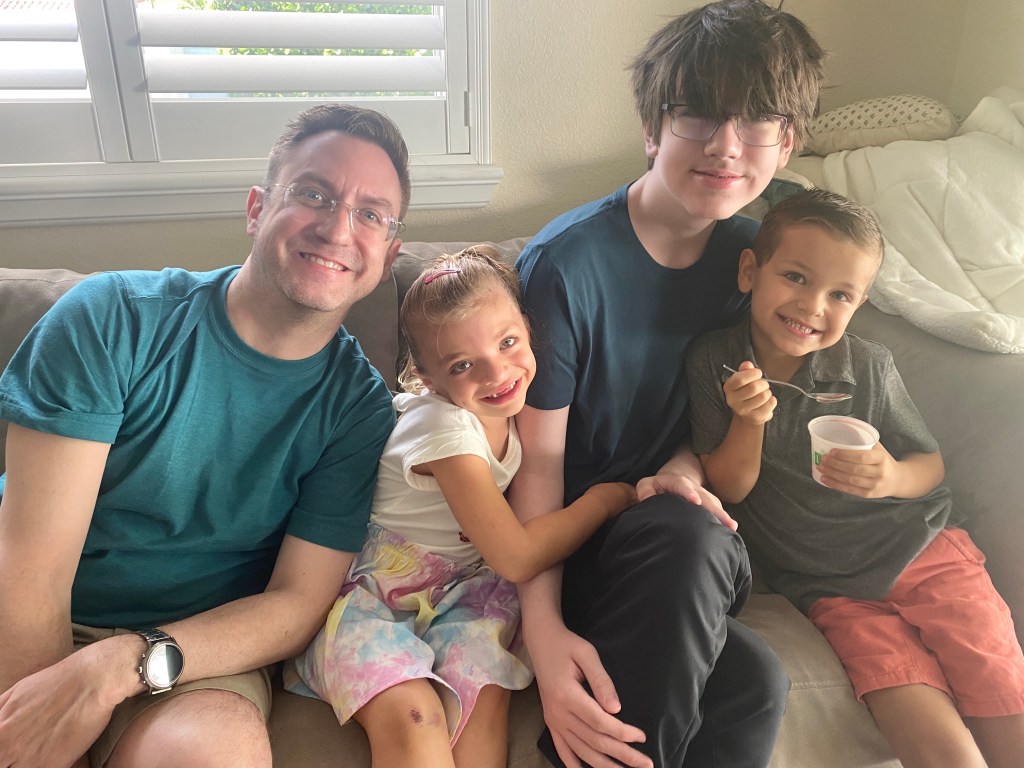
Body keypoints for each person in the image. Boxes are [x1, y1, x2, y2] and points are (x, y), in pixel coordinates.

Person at [0, 104, 411, 768]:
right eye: (313, 194)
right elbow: (30, 569)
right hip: (24, 608)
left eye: (371, 214)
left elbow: (296, 602)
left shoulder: (360, 412)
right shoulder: (110, 319)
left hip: (187, 654)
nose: (338, 229)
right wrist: (43, 721)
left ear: (389, 256)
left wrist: (123, 664)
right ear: (257, 209)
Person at [510, 1, 827, 766]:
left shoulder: (758, 263)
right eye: (699, 115)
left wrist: (684, 469)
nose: (726, 146)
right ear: (653, 128)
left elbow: (716, 420)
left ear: (787, 142)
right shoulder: (566, 266)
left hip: (684, 552)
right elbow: (537, 465)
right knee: (752, 683)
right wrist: (542, 636)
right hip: (575, 548)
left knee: (690, 536)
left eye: (757, 122)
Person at [686, 187, 1024, 768]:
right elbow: (729, 489)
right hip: (833, 589)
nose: (812, 305)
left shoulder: (866, 365)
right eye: (795, 277)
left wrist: (890, 476)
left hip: (923, 552)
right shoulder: (713, 360)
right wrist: (748, 419)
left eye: (839, 294)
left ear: (859, 303)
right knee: (928, 735)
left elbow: (929, 464)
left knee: (1000, 693)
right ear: (750, 271)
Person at [288, 246, 636, 768]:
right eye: (463, 364)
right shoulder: (443, 429)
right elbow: (515, 556)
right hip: (373, 596)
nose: (497, 372)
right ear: (427, 377)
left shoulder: (518, 414)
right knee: (415, 716)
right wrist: (605, 500)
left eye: (508, 342)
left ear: (528, 330)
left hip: (463, 592)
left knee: (483, 696)